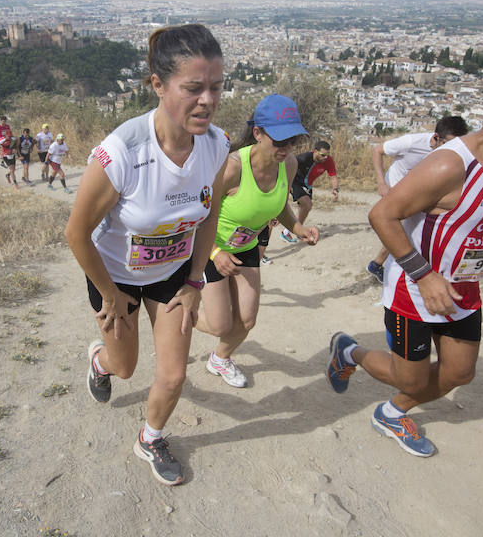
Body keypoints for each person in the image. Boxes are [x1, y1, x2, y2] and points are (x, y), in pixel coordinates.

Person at [327, 61, 483, 457]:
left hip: (462, 288)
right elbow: (382, 214)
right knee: (413, 379)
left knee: (460, 373)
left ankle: (391, 413)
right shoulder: (450, 165)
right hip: (415, 291)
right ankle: (349, 351)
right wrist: (424, 275)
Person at [64, 24, 229, 486]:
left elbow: (209, 216)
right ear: (157, 84)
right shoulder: (122, 153)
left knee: (173, 375)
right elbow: (77, 233)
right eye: (193, 88)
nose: (208, 101)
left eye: (216, 87)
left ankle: (150, 437)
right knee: (126, 366)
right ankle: (100, 361)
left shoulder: (216, 146)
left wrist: (196, 280)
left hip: (172, 276)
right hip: (115, 276)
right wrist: (110, 296)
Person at [197, 94, 319, 387]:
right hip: (211, 248)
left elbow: (278, 206)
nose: (286, 148)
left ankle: (220, 359)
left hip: (247, 248)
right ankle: (176, 311)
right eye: (278, 141)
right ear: (257, 133)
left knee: (247, 321)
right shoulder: (231, 168)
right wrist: (215, 254)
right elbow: (199, 219)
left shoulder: (287, 165)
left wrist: (299, 228)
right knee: (218, 324)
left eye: (292, 141)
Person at [366, 116, 469, 282]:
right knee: (398, 228)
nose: (452, 148)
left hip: (421, 192)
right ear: (436, 137)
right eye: (448, 143)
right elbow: (377, 150)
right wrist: (381, 183)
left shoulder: (454, 153)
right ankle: (389, 268)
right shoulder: (411, 142)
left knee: (415, 229)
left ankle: (378, 264)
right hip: (396, 188)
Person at [281, 140, 338, 243]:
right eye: (323, 155)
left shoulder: (328, 161)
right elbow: (286, 166)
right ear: (315, 151)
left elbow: (333, 176)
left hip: (307, 185)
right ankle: (295, 231)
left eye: (327, 155)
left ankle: (288, 232)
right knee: (307, 203)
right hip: (295, 181)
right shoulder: (304, 158)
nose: (325, 157)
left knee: (306, 207)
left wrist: (335, 188)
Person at [0, 116, 18, 190]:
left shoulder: (13, 138)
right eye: (9, 136)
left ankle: (7, 175)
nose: (10, 137)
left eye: (10, 136)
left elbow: (16, 141)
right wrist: (0, 154)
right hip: (5, 155)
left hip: (12, 155)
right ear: (6, 135)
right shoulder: (1, 139)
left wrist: (15, 149)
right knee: (11, 170)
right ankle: (15, 184)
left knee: (13, 170)